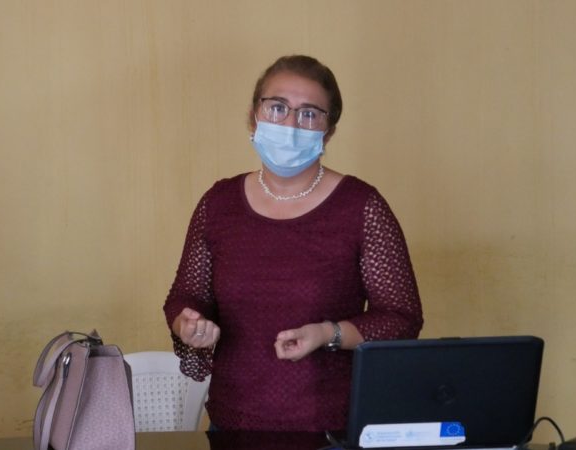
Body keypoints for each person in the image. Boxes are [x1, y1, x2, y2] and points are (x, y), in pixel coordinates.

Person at [163, 55, 423, 432]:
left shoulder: (361, 206)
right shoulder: (218, 204)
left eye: (309, 114)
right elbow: (185, 296)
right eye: (278, 107)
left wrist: (328, 334)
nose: (290, 124)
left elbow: (401, 318)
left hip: (332, 427)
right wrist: (189, 325)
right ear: (254, 115)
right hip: (232, 423)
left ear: (328, 131)